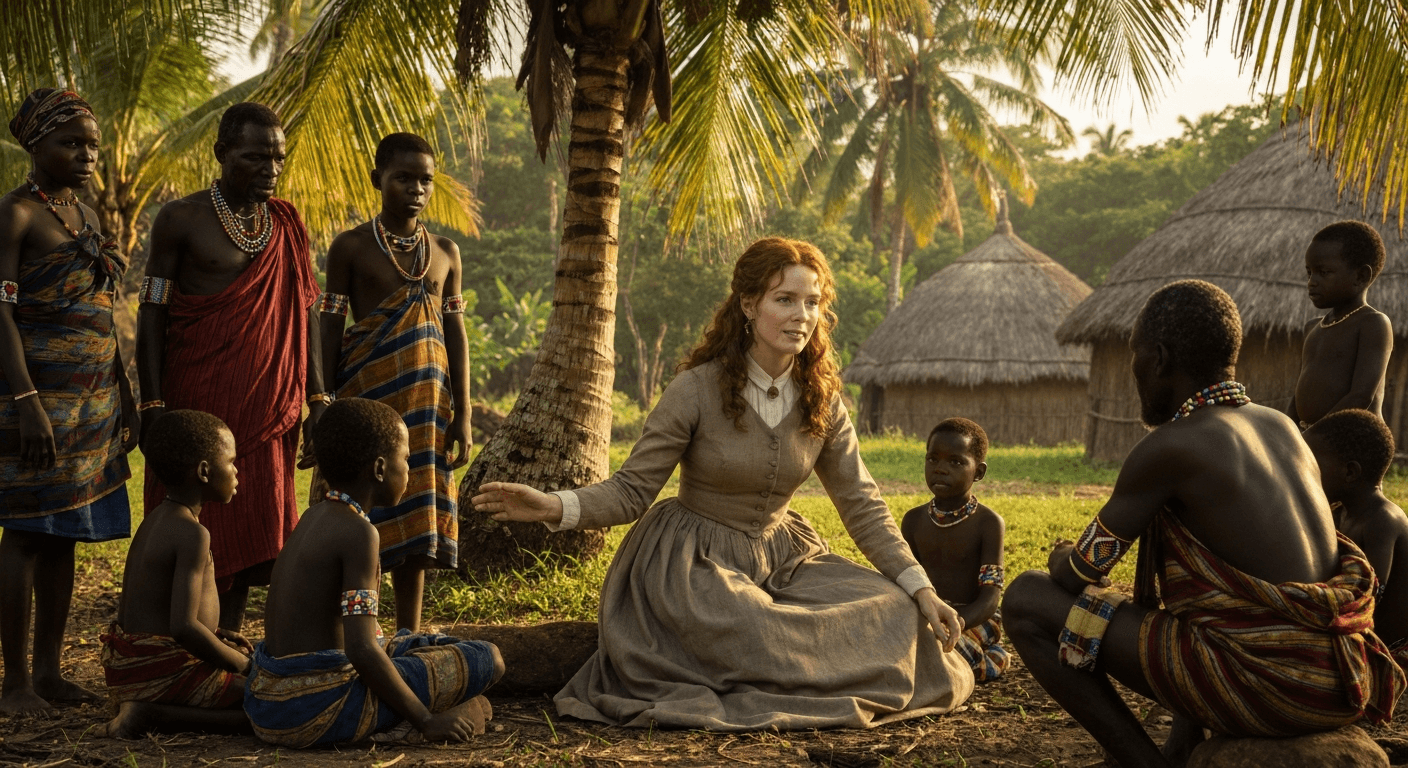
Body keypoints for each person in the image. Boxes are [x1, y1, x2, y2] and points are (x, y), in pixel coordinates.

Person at [474, 237, 974, 731]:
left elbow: (862, 505)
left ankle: (799, 670)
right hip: (694, 565)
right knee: (758, 628)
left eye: (812, 302)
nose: (802, 314)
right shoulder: (695, 389)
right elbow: (630, 490)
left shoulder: (823, 399)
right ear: (749, 304)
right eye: (785, 299)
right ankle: (787, 671)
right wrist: (552, 506)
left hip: (785, 559)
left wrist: (922, 589)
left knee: (895, 610)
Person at [1002, 280, 1405, 768]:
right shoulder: (1282, 428)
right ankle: (1180, 745)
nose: (1133, 369)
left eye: (1134, 354)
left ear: (1159, 358)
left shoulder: (1173, 446)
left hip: (1273, 683)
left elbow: (1078, 573)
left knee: (1026, 598)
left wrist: (1061, 554)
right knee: (1195, 614)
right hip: (1341, 674)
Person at [136, 102, 321, 632]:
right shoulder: (180, 219)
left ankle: (231, 635)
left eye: (278, 158)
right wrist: (151, 404)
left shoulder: (286, 222)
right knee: (196, 516)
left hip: (269, 401)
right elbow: (153, 312)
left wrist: (318, 398)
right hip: (199, 397)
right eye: (255, 156)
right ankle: (175, 641)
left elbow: (305, 313)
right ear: (220, 154)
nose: (270, 168)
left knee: (255, 526)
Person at [245, 398, 502, 748]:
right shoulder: (359, 533)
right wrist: (427, 721)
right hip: (315, 709)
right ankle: (408, 720)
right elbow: (362, 649)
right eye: (406, 459)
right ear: (380, 469)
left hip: (267, 701)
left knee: (417, 643)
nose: (409, 470)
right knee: (488, 658)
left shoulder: (313, 517)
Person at [0, 89, 138, 714]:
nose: (86, 155)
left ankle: (51, 673)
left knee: (63, 539)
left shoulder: (86, 216)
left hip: (92, 403)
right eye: (71, 142)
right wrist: (26, 399)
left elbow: (104, 315)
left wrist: (125, 392)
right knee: (26, 535)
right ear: (36, 146)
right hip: (36, 401)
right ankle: (15, 683)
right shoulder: (16, 216)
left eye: (91, 144)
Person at [311, 132, 471, 632]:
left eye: (425, 180)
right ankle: (349, 633)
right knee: (360, 511)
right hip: (367, 405)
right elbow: (328, 329)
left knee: (417, 517)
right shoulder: (351, 248)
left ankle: (406, 632)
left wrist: (463, 412)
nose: (416, 189)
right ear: (377, 178)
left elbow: (455, 332)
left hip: (428, 410)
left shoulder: (445, 251)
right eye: (403, 177)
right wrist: (321, 402)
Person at [100, 410, 253, 738]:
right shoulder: (192, 534)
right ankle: (150, 715)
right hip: (161, 670)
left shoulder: (155, 520)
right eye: (231, 462)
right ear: (204, 471)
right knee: (268, 705)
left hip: (128, 666)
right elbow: (183, 628)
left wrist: (217, 635)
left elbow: (158, 613)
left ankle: (145, 705)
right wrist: (240, 664)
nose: (237, 471)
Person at [900, 417, 1007, 682]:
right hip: (927, 615)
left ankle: (990, 659)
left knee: (941, 652)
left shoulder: (988, 523)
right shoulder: (913, 521)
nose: (940, 469)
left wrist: (956, 621)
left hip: (974, 618)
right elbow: (902, 580)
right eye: (933, 459)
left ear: (979, 472)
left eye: (955, 462)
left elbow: (990, 597)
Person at [1304, 409, 1408, 663]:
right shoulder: (1340, 514)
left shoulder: (1383, 520)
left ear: (1350, 472)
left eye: (1312, 465)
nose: (1304, 473)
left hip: (1390, 644)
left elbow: (1367, 597)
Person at [1286, 221, 1394, 428]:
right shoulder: (1313, 327)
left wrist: (1314, 436)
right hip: (1312, 438)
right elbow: (1298, 394)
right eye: (1309, 273)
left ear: (1360, 276)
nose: (1312, 281)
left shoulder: (1373, 323)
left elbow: (1361, 397)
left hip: (1354, 435)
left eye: (1324, 272)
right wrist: (1289, 433)